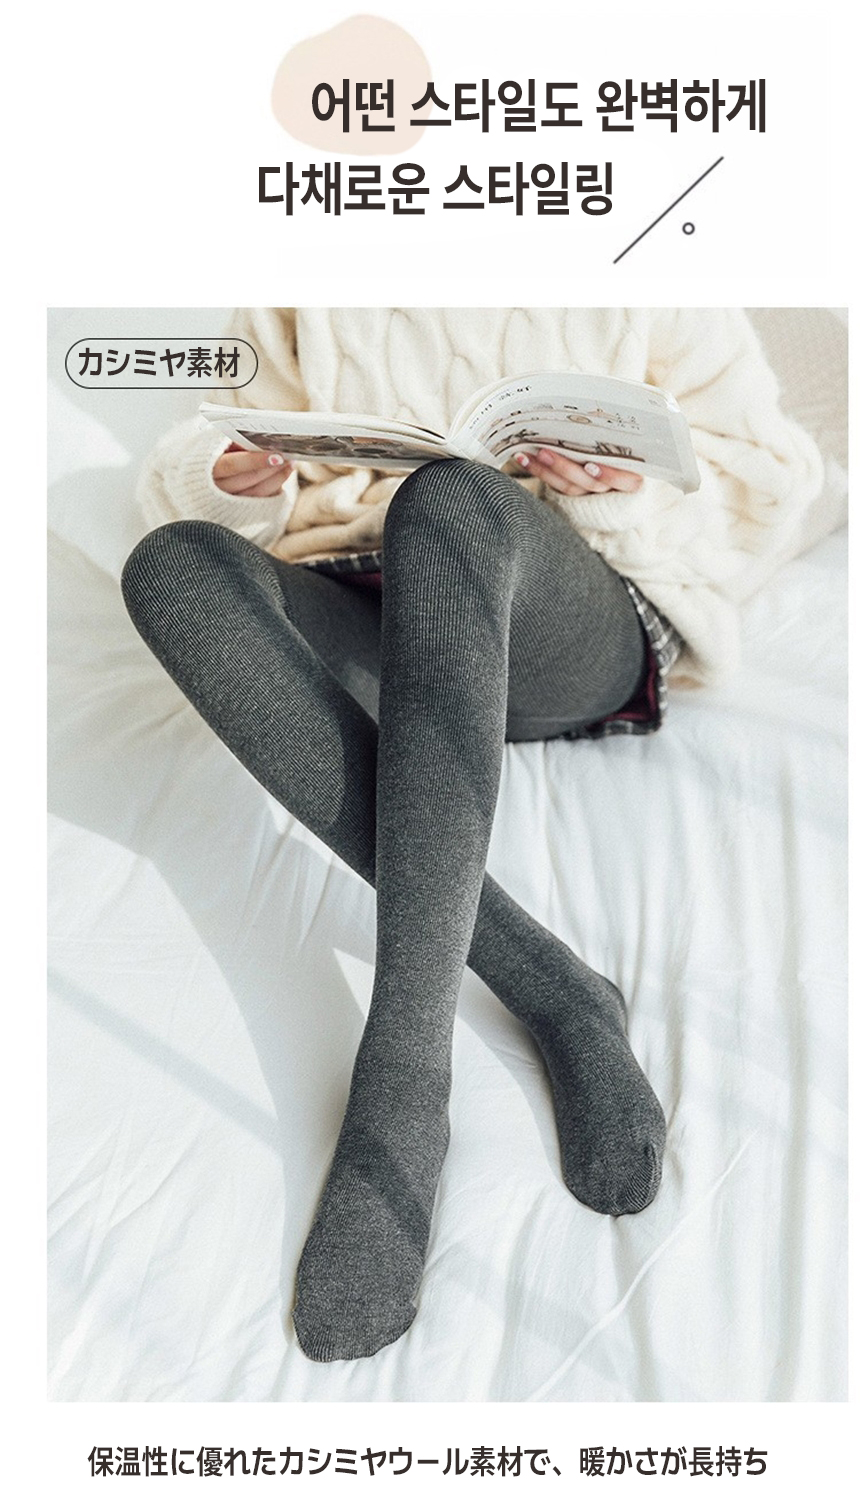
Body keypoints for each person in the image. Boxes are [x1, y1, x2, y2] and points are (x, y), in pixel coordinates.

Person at [120, 307, 823, 1364]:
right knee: (172, 565)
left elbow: (773, 482)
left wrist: (621, 489)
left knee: (452, 500)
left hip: (559, 611)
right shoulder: (303, 273)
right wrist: (231, 477)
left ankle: (403, 1084)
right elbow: (209, 443)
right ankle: (554, 986)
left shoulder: (655, 276)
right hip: (365, 597)